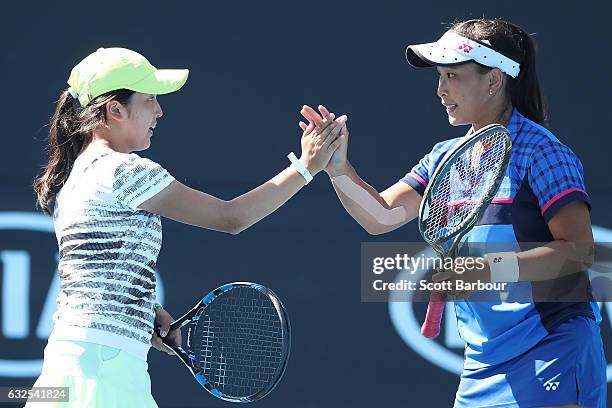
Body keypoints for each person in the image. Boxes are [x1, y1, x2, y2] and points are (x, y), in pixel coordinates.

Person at [300, 18, 605, 408]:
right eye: (439, 77)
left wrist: (489, 269)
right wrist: (338, 168)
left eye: (452, 76)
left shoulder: (543, 152)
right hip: (482, 365)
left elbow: (579, 251)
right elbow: (380, 217)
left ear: (494, 80)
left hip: (553, 351)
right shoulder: (444, 158)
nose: (441, 90)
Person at [29, 47, 344, 407]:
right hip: (104, 366)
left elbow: (97, 269)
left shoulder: (79, 176)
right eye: (149, 100)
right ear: (115, 110)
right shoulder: (123, 171)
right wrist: (307, 166)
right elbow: (232, 217)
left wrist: (143, 312)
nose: (159, 111)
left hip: (79, 359)